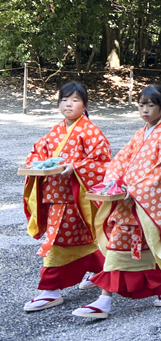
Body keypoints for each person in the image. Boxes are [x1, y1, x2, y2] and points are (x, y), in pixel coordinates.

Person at [72, 84, 161, 319]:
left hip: (146, 203)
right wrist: (112, 180)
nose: (145, 110)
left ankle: (106, 300)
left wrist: (135, 189)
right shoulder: (141, 133)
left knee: (133, 245)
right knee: (139, 247)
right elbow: (122, 158)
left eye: (151, 105)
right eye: (141, 105)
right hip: (129, 201)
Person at [23, 82, 111, 312]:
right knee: (85, 241)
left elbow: (102, 161)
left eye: (74, 100)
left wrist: (77, 167)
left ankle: (50, 289)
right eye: (64, 99)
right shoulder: (56, 129)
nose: (68, 104)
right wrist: (34, 164)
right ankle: (106, 271)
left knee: (58, 241)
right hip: (57, 196)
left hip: (76, 198)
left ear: (85, 104)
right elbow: (39, 151)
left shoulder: (90, 130)